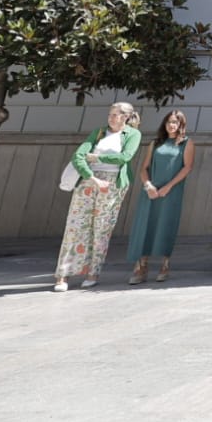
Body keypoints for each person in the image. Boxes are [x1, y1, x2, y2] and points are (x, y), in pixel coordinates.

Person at [53, 102, 142, 292]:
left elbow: (125, 157)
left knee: (101, 227)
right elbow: (79, 156)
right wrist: (92, 177)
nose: (111, 118)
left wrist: (97, 158)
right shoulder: (99, 132)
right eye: (110, 114)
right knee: (75, 225)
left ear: (125, 117)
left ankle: (93, 273)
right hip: (89, 180)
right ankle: (63, 275)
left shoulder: (132, 134)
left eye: (115, 115)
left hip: (112, 184)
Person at [127, 109, 194, 285]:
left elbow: (187, 167)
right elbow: (144, 168)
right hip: (151, 191)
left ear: (181, 125)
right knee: (145, 226)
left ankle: (165, 264)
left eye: (175, 122)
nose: (171, 125)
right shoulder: (155, 143)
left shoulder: (186, 143)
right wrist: (148, 185)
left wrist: (168, 187)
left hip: (171, 191)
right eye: (169, 122)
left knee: (166, 225)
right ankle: (141, 266)